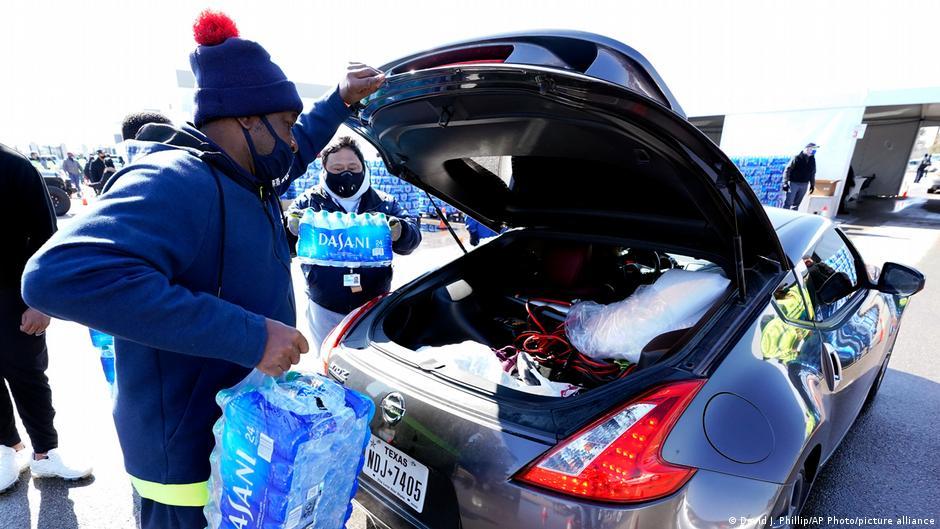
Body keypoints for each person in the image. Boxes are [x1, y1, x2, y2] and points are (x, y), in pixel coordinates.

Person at [21, 10, 383, 529]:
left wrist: (340, 101)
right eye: (282, 126)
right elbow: (56, 275)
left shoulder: (248, 175)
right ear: (244, 121)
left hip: (232, 449)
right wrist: (252, 335)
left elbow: (298, 149)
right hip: (187, 471)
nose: (292, 142)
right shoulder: (177, 178)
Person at [0, 143, 92, 493]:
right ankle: (8, 448)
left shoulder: (15, 166)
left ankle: (44, 453)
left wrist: (42, 303)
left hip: (15, 295)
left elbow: (48, 238)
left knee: (27, 375)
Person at [286, 137, 421, 349]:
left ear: (363, 167)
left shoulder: (384, 203)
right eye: (337, 168)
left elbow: (412, 240)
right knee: (329, 360)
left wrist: (400, 231)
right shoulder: (309, 203)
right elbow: (283, 245)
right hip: (324, 305)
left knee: (368, 365)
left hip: (373, 305)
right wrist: (290, 228)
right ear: (325, 170)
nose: (346, 173)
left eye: (352, 167)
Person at [783, 143, 818, 210]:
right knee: (789, 202)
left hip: (804, 184)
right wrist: (785, 182)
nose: (813, 151)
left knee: (796, 204)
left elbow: (812, 172)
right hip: (794, 183)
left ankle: (793, 216)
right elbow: (788, 170)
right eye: (812, 149)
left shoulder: (812, 160)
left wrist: (812, 184)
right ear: (807, 149)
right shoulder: (797, 158)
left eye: (814, 149)